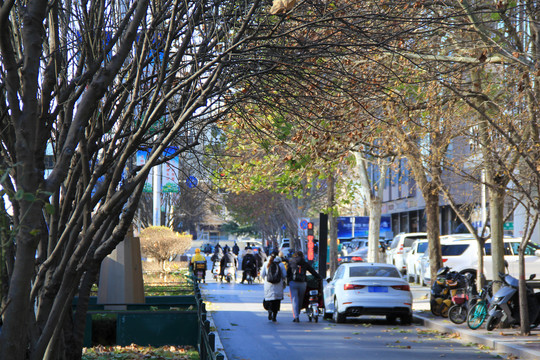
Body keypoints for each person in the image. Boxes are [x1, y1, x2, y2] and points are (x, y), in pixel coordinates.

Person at [287, 251, 321, 322]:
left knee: (294, 300)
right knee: (300, 299)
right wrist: (319, 277)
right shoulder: (305, 263)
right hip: (303, 283)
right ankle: (298, 311)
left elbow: (288, 273)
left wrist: (288, 281)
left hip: (293, 283)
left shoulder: (291, 262)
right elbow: (313, 271)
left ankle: (296, 316)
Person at [261, 253, 287, 322]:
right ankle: (274, 316)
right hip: (278, 284)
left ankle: (269, 311)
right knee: (277, 301)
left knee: (269, 299)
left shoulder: (266, 263)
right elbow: (284, 275)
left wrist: (266, 279)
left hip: (268, 284)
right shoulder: (281, 264)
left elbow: (262, 274)